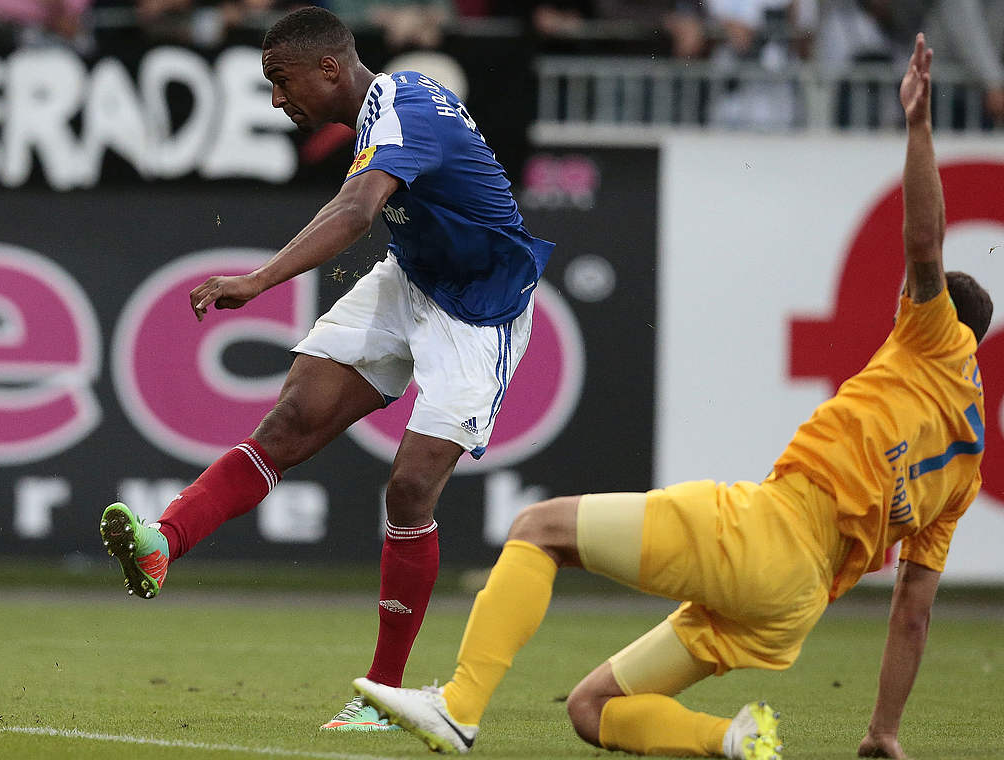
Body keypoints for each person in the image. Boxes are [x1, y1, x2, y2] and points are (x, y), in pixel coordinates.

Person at [355, 32, 992, 759]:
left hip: (770, 535)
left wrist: (917, 126)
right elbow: (913, 612)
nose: (899, 307)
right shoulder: (963, 473)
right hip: (795, 609)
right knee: (594, 709)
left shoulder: (933, 340)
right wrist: (882, 731)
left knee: (539, 530)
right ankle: (734, 742)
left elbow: (924, 246)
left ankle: (460, 706)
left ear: (932, 312)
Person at [99, 5, 556, 731]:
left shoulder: (404, 99)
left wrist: (258, 279)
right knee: (290, 421)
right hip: (411, 280)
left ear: (330, 69)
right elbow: (357, 203)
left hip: (483, 311)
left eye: (281, 81)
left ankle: (381, 695)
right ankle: (164, 542)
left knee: (409, 488)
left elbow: (355, 208)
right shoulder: (382, 116)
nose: (277, 99)